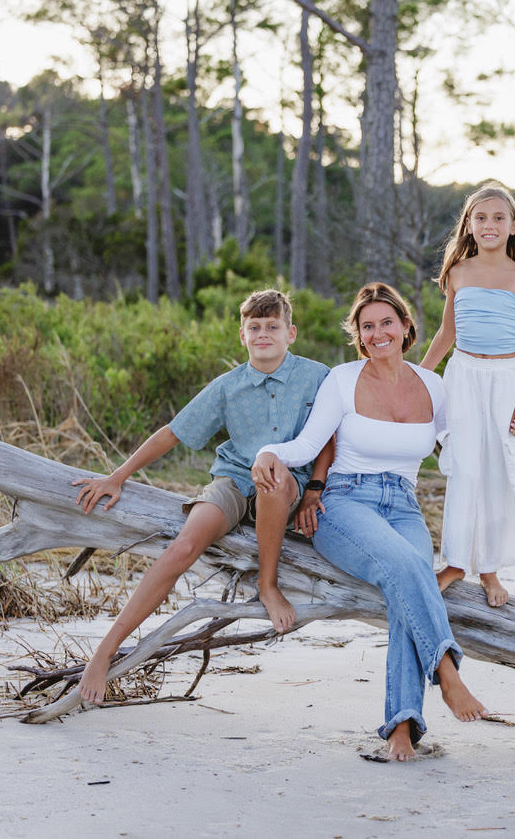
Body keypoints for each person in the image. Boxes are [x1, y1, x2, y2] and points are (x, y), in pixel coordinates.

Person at [252, 282, 515, 761]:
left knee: (406, 585)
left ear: (406, 327)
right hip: (344, 503)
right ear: (359, 337)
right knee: (409, 568)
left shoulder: (433, 386)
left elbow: (465, 448)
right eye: (368, 327)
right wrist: (267, 453)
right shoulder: (342, 379)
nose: (378, 332)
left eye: (387, 322)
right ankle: (447, 673)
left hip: (403, 505)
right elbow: (305, 445)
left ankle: (402, 724)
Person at [71, 289, 332, 705]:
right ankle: (102, 654)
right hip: (233, 479)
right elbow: (174, 431)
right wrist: (118, 476)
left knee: (273, 474)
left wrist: (315, 489)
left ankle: (267, 584)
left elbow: (332, 435)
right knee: (183, 547)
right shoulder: (228, 387)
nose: (263, 334)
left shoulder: (317, 376)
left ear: (291, 333)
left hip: (287, 485)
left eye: (272, 327)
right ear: (242, 335)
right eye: (255, 327)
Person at [419, 182, 515, 607]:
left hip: (505, 379)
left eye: (498, 218)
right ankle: (454, 562)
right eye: (481, 217)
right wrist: (420, 378)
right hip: (463, 377)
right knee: (465, 470)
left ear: (513, 227)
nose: (489, 224)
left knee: (496, 471)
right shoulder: (458, 272)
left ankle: (489, 570)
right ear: (468, 226)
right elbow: (447, 332)